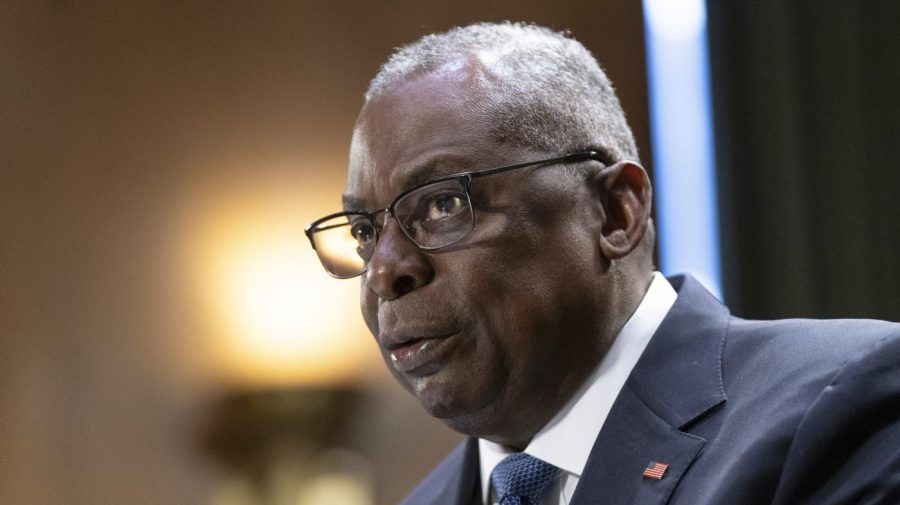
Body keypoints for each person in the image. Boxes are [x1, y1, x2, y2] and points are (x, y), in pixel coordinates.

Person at [305, 22, 900, 505]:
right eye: (364, 231)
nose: (384, 271)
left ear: (615, 212)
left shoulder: (839, 404)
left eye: (441, 204)